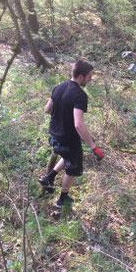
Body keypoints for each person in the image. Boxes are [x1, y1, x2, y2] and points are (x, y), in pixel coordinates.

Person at [39, 59, 104, 208]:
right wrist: (94, 147)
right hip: (68, 140)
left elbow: (47, 109)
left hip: (53, 136)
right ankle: (63, 200)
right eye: (89, 76)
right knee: (72, 168)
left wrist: (61, 118)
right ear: (80, 76)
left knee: (67, 156)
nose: (91, 79)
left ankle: (49, 177)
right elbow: (78, 124)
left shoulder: (58, 87)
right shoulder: (80, 95)